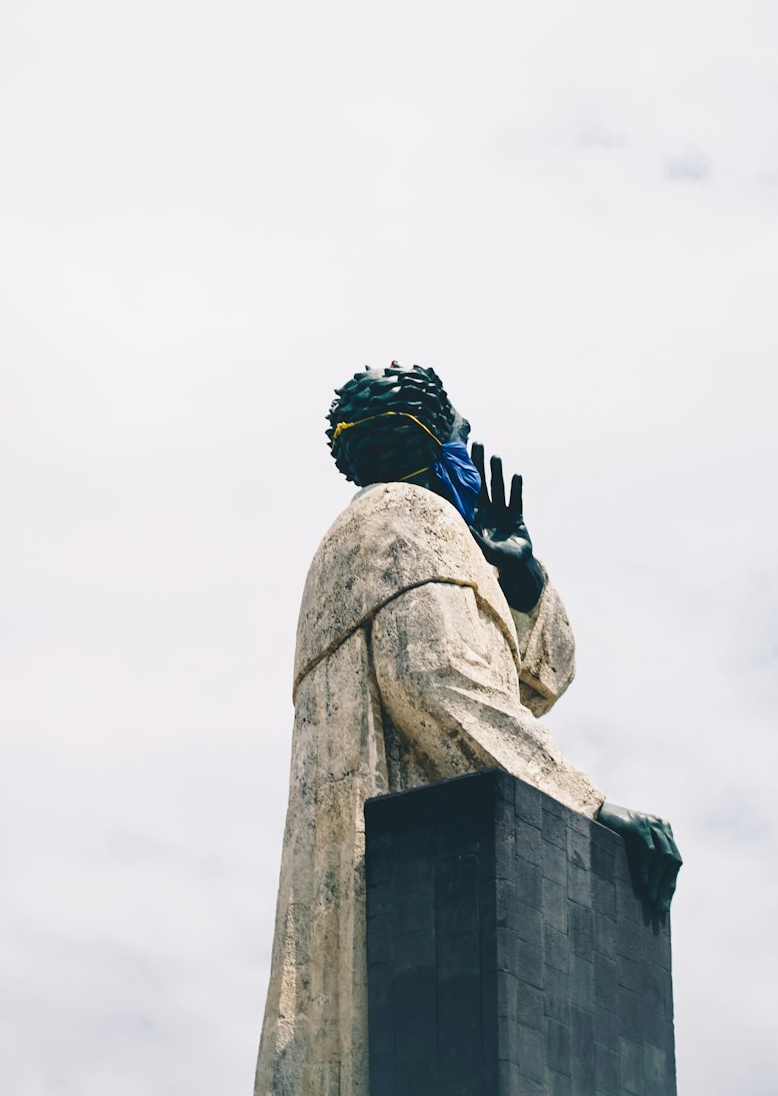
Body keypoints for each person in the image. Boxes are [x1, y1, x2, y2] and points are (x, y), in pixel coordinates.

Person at [254, 363, 681, 1096]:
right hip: (410, 852)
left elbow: (529, 686)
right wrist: (589, 803)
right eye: (461, 434)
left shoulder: (413, 532)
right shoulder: (402, 517)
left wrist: (518, 579)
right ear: (427, 435)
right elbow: (437, 683)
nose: (469, 451)